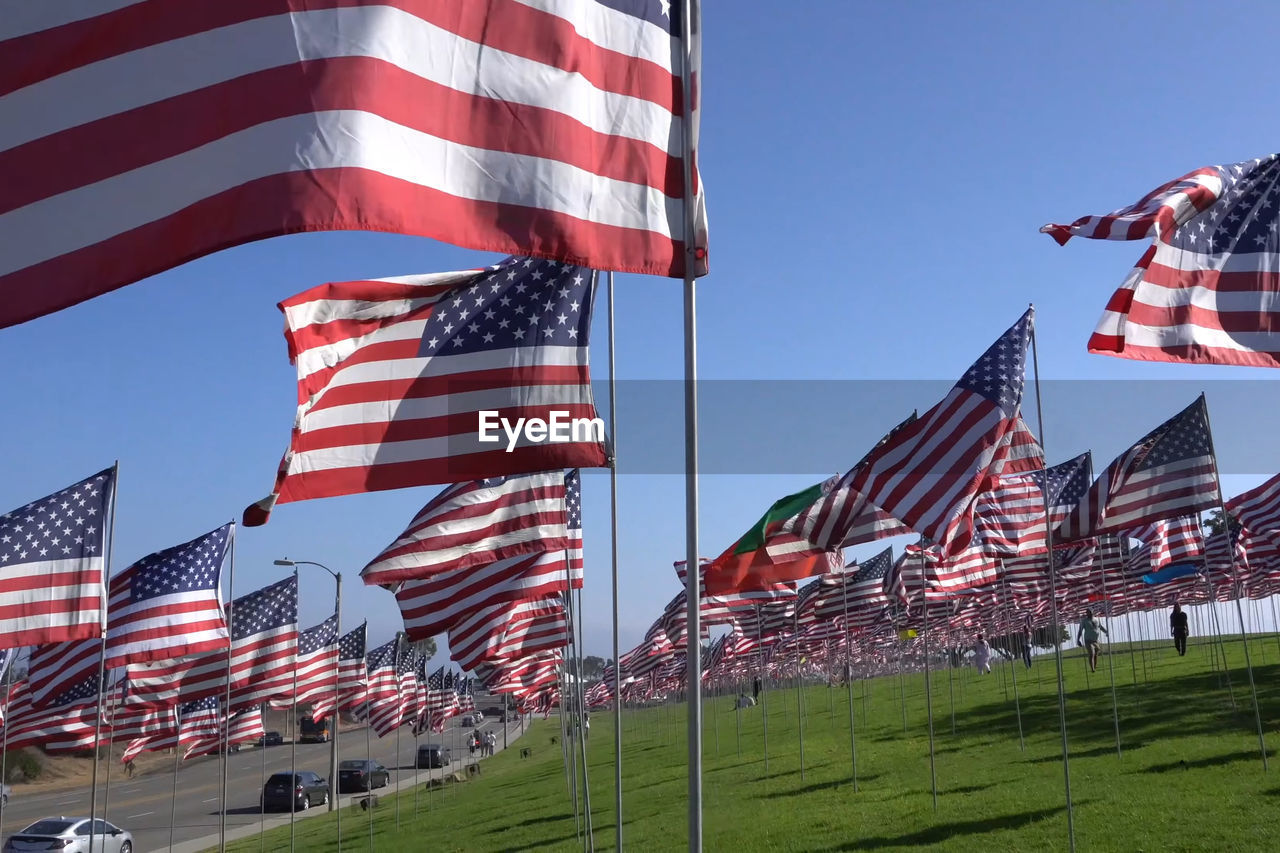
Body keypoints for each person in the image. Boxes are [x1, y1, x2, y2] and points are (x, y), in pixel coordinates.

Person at [1076, 608, 1108, 672]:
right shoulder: (1084, 621)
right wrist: (1078, 640)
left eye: (1090, 612)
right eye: (1087, 612)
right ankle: (1092, 669)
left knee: (1096, 653)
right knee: (1091, 653)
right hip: (1088, 640)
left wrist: (1106, 632)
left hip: (1095, 640)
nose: (1088, 613)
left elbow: (1100, 627)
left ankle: (1094, 666)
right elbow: (1080, 631)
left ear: (1093, 612)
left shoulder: (1096, 619)